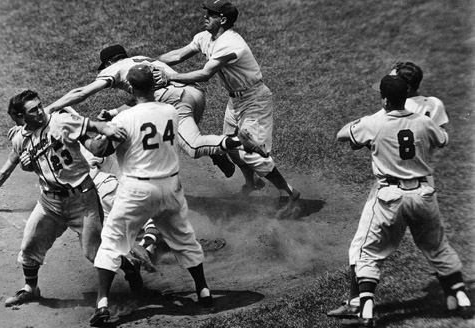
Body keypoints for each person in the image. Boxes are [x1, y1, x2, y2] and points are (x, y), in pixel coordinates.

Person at [334, 75, 471, 327]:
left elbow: (342, 135)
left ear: (384, 99)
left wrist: (369, 132)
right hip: (423, 195)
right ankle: (461, 295)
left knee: (368, 252)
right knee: (438, 247)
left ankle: (365, 307)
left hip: (390, 197)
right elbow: (443, 139)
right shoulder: (424, 122)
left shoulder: (373, 123)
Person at [89, 64, 213, 326]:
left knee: (112, 241)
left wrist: (90, 132)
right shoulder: (170, 111)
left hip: (137, 189)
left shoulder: (124, 120)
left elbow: (100, 150)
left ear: (131, 89)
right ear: (154, 85)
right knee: (184, 238)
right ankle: (203, 290)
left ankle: (102, 304)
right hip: (170, 188)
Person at [154, 0, 300, 218]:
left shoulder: (231, 44)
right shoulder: (205, 37)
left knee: (251, 152)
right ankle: (252, 183)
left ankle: (288, 193)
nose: (205, 16)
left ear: (222, 19)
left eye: (210, 14)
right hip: (235, 101)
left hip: (254, 100)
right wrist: (151, 63)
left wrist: (169, 76)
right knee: (229, 146)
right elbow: (177, 56)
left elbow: (205, 74)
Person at [3, 90, 144, 307]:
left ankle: (130, 267)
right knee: (30, 242)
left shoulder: (59, 121)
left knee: (93, 252)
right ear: (21, 117)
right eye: (33, 110)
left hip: (82, 199)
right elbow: (31, 164)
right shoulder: (19, 139)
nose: (41, 111)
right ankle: (30, 289)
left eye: (40, 105)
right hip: (49, 202)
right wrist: (26, 165)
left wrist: (107, 129)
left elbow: (92, 126)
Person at [45, 45, 268, 180]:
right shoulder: (143, 60)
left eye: (103, 67)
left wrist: (51, 108)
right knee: (172, 135)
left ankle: (236, 142)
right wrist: (114, 111)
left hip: (172, 101)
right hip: (193, 95)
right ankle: (217, 152)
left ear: (110, 62)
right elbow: (145, 95)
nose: (103, 71)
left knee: (192, 145)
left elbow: (82, 92)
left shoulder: (114, 68)